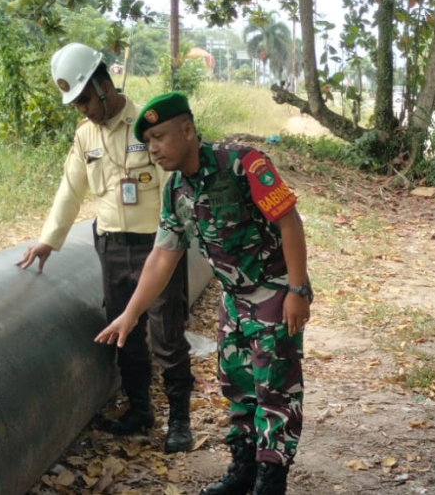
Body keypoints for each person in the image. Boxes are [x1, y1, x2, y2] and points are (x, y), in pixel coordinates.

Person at [94, 92, 311, 495]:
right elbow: (163, 255)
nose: (154, 149)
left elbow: (289, 223)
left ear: (188, 129)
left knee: (275, 391)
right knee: (238, 385)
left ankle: (270, 481)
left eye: (159, 137)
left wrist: (297, 290)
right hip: (233, 301)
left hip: (274, 296)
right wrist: (131, 313)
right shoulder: (175, 188)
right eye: (148, 142)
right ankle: (244, 469)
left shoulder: (243, 163)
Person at [15, 43, 196, 453]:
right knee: (124, 331)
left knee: (167, 333)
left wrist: (179, 237)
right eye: (75, 103)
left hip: (157, 245)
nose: (81, 108)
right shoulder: (85, 137)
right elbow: (71, 189)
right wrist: (49, 240)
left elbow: (172, 183)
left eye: (83, 99)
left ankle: (180, 420)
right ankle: (140, 410)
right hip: (112, 244)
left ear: (102, 84)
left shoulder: (148, 124)